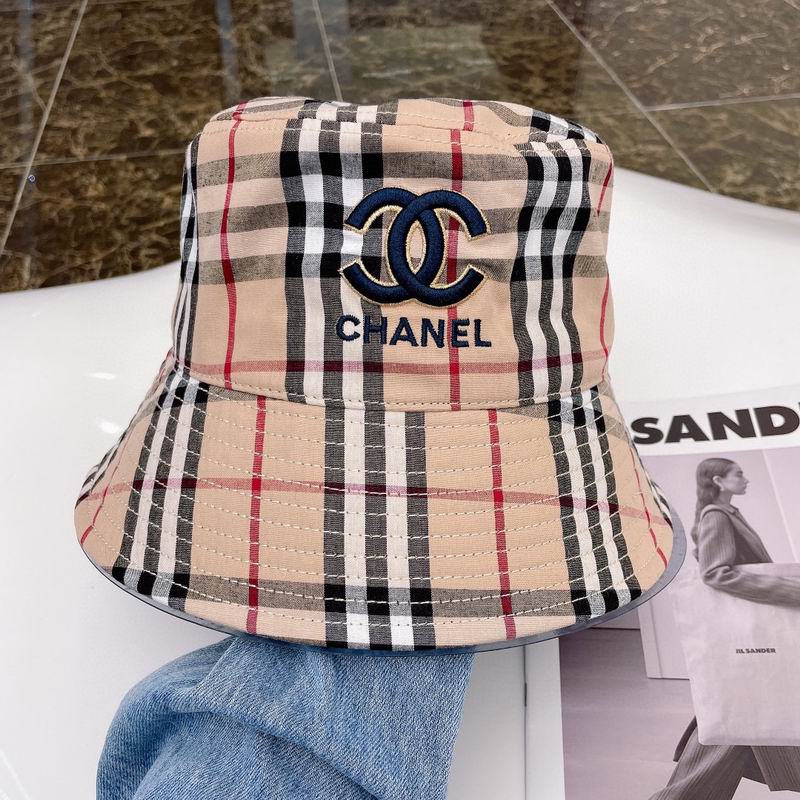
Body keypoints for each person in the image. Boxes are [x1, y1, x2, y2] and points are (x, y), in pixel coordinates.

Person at [650, 457, 800, 800]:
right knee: (742, 718)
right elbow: (716, 573)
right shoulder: (716, 516)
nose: (745, 479)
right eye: (738, 474)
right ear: (718, 480)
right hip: (753, 642)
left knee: (738, 719)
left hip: (754, 646)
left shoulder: (727, 513)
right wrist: (793, 592)